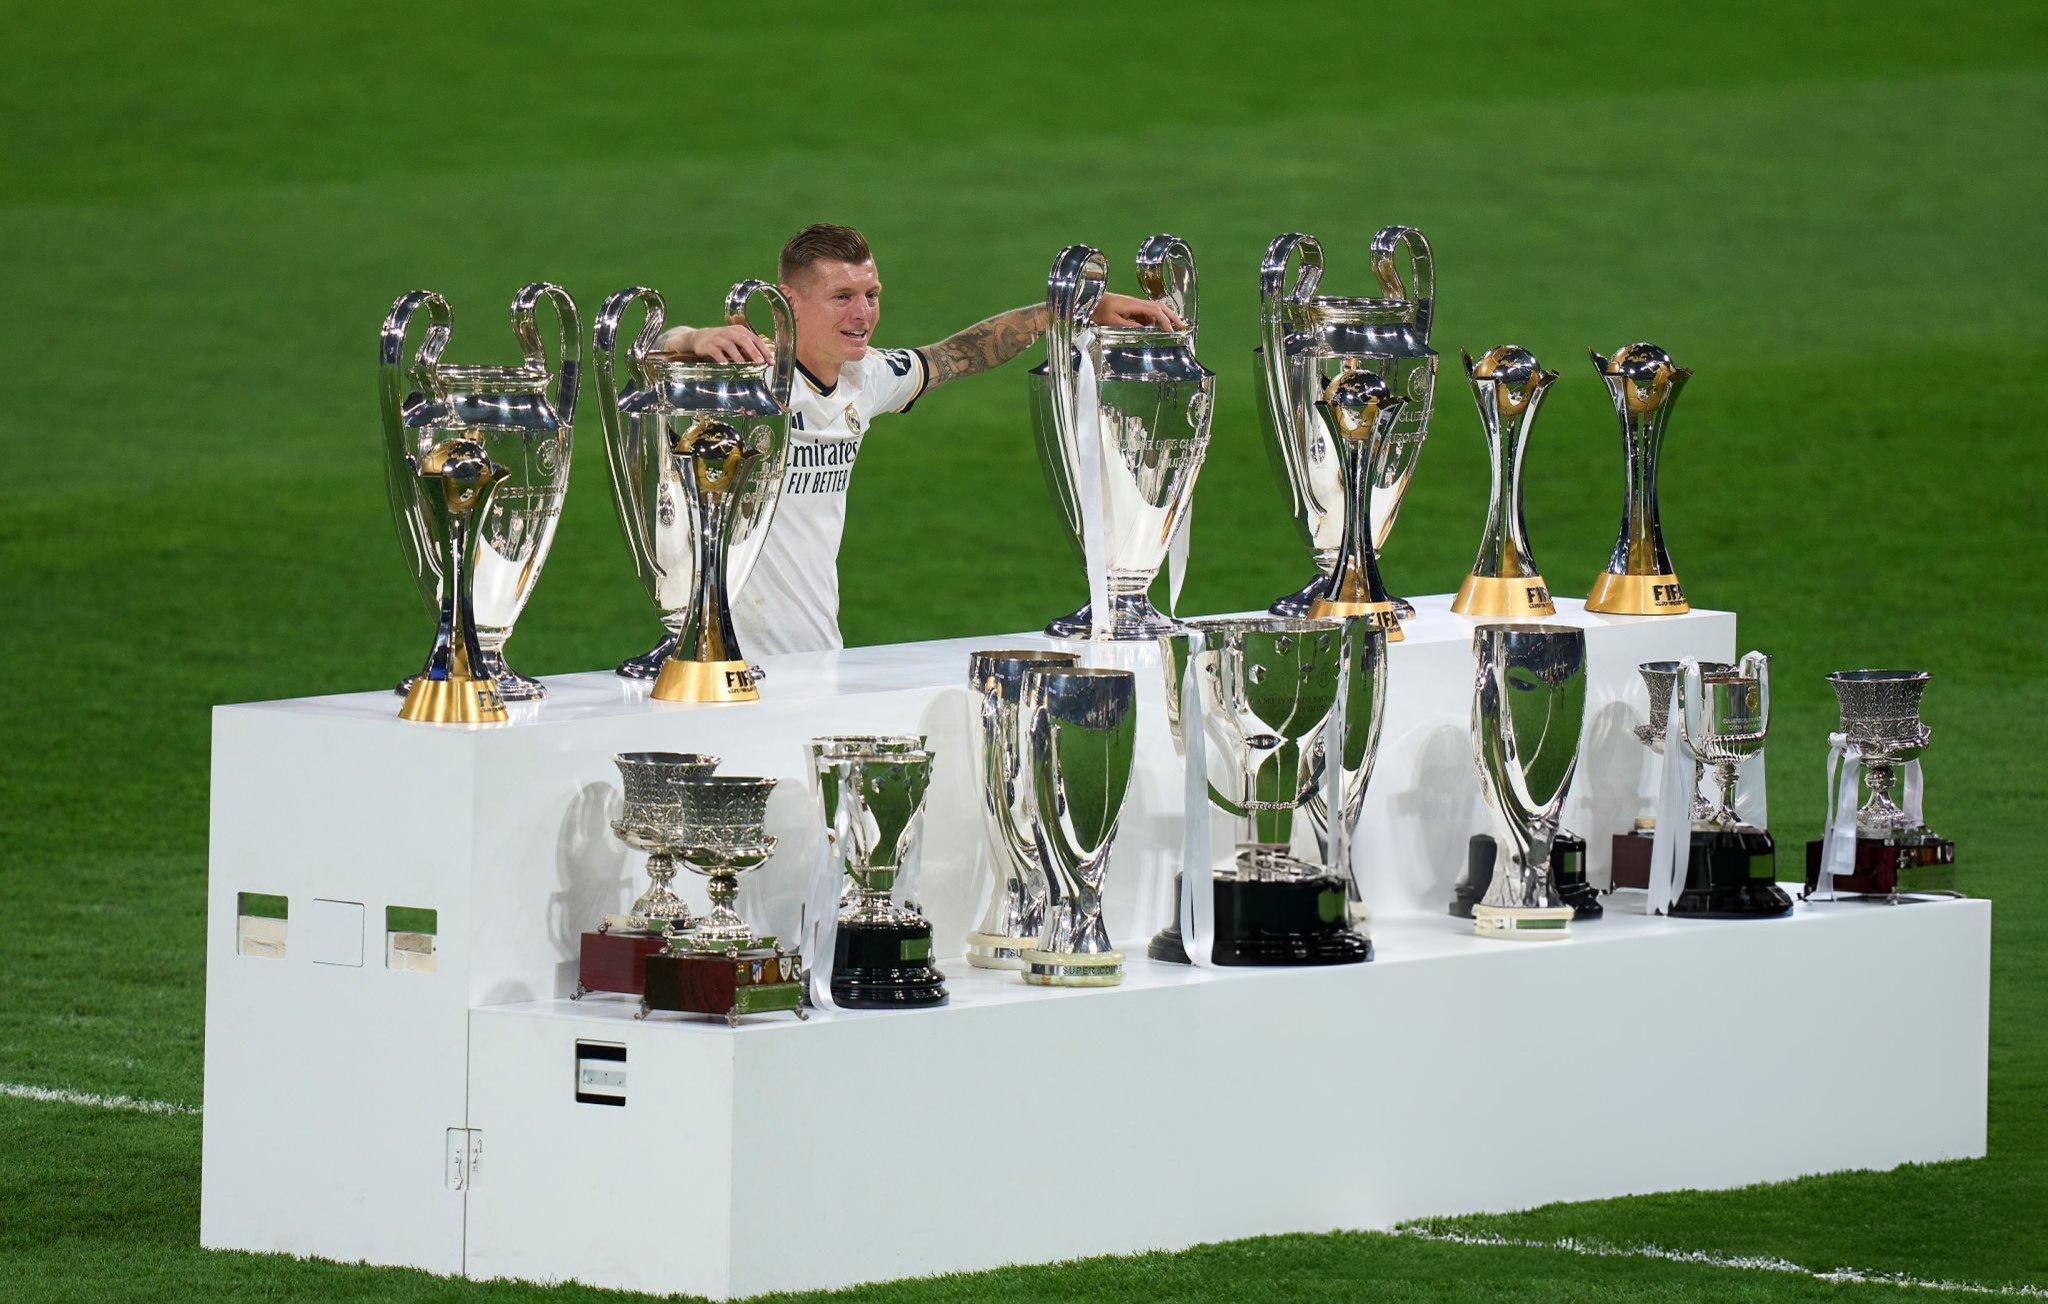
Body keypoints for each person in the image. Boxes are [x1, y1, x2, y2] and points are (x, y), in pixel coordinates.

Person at [656, 223, 1182, 657]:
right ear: (788, 302)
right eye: (842, 297)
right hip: (721, 661)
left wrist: (1067, 312)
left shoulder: (868, 378)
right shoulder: (747, 380)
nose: (862, 314)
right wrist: (690, 338)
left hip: (818, 653)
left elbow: (959, 354)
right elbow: (653, 355)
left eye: (871, 294)